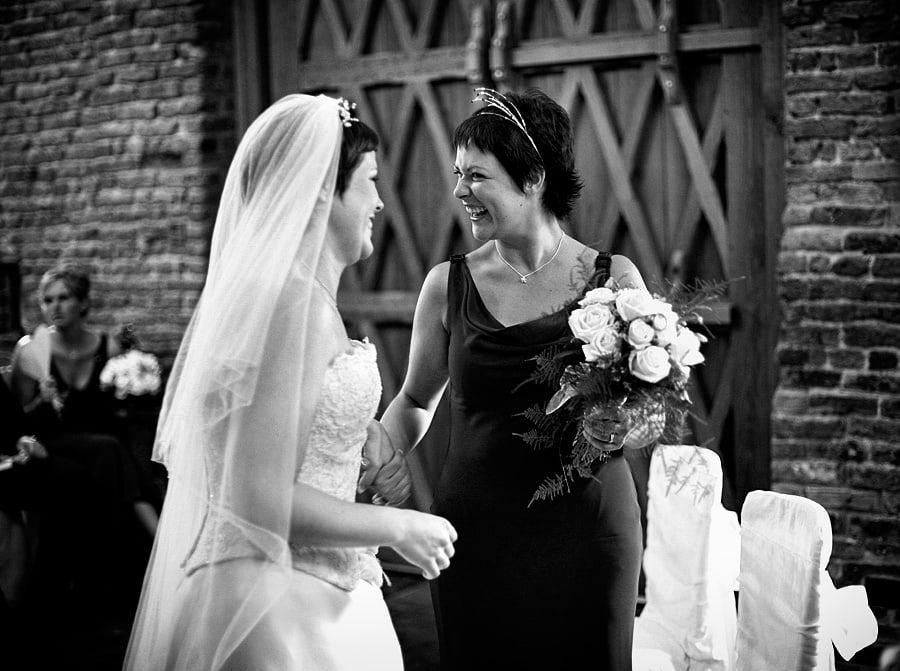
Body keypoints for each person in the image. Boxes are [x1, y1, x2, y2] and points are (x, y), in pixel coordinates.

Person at [123, 93, 456, 671]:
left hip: (315, 586)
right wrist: (399, 525)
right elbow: (259, 498)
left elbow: (288, 452)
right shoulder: (291, 307)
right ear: (324, 191)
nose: (380, 201)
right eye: (370, 181)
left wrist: (359, 451)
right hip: (276, 605)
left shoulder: (299, 301)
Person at [375, 87, 650, 670]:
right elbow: (415, 400)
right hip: (476, 534)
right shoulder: (446, 285)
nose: (459, 191)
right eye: (458, 174)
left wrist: (624, 421)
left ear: (534, 178)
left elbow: (651, 411)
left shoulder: (615, 279)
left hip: (590, 530)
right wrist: (376, 460)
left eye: (477, 176)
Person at [10, 263, 162, 614]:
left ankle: (112, 585)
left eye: (64, 298)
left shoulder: (107, 346)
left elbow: (119, 408)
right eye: (48, 300)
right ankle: (157, 540)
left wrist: (134, 388)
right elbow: (17, 421)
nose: (55, 307)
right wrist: (42, 401)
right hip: (54, 444)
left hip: (102, 446)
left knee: (112, 454)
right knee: (112, 453)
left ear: (83, 303)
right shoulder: (31, 351)